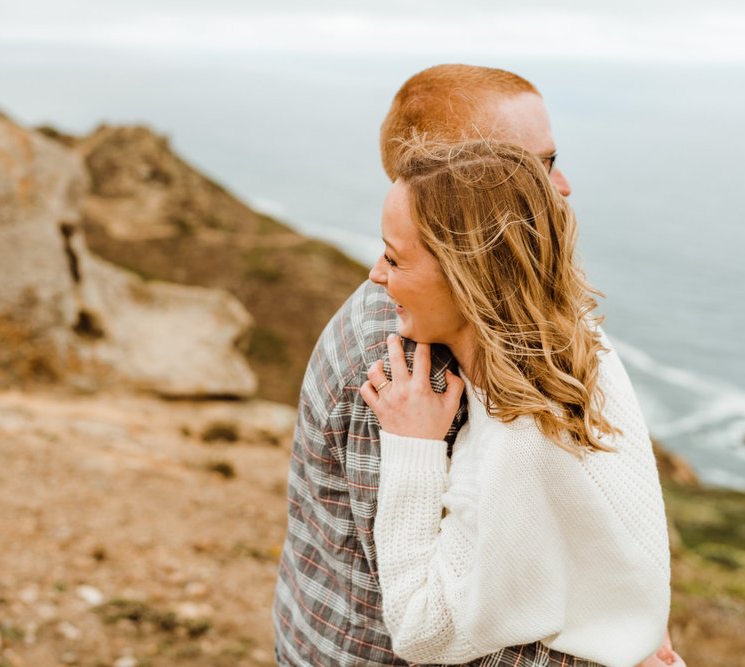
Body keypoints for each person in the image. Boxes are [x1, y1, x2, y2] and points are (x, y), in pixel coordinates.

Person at [273, 64, 684, 667]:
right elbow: (434, 630)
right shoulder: (410, 367)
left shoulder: (522, 336)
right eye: (535, 167)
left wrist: (632, 626)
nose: (561, 185)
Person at [360, 139, 670, 667]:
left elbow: (420, 631)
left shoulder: (518, 444)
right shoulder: (584, 340)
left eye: (394, 257)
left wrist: (412, 446)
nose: (376, 274)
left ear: (467, 275)